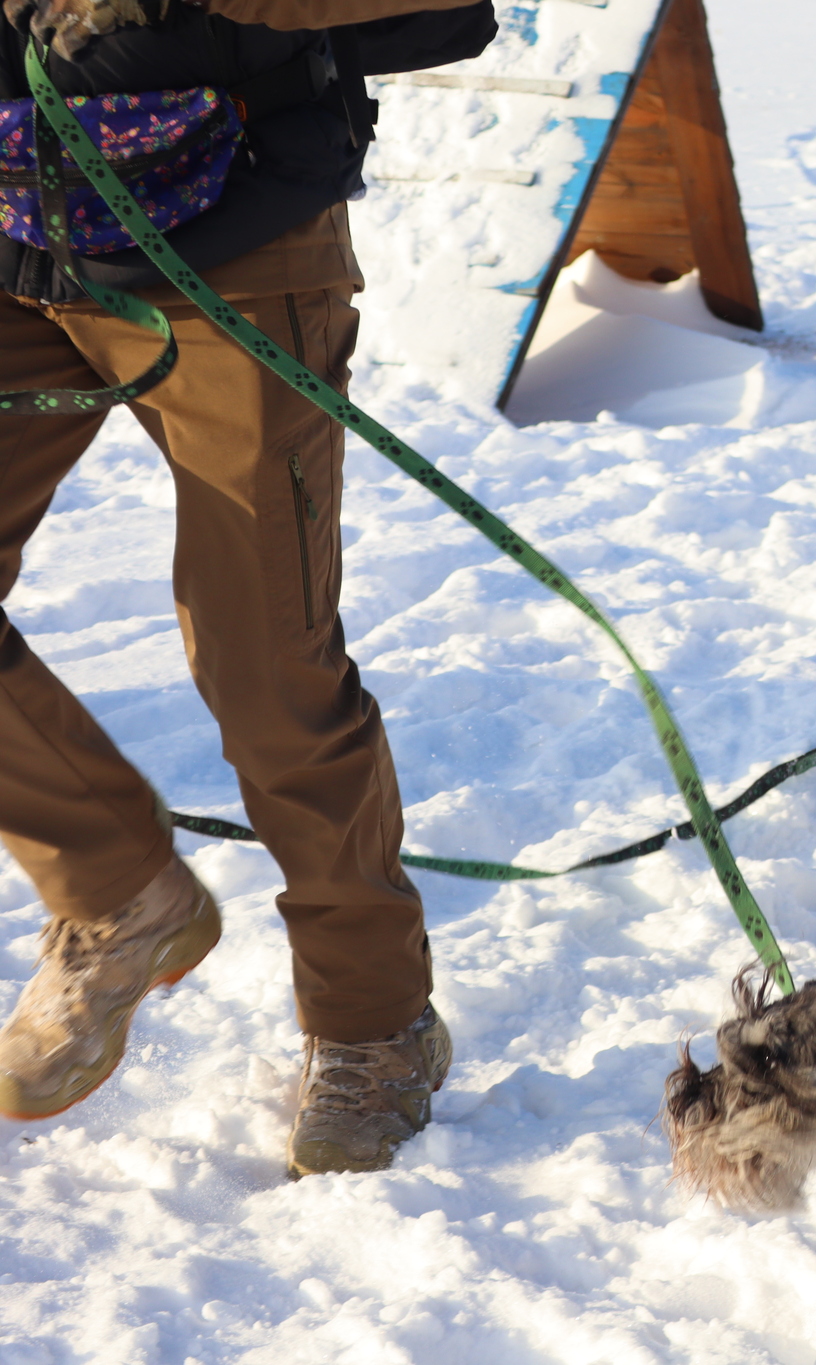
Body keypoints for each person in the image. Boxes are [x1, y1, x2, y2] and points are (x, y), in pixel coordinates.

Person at [0, 0, 492, 1175]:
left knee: (264, 663)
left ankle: (375, 1025)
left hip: (238, 226)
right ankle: (119, 890)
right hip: (20, 223)